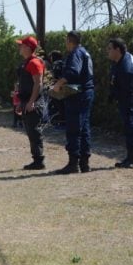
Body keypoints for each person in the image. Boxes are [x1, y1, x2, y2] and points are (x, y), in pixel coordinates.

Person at [51, 30, 94, 174]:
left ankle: (73, 163)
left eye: (66, 41)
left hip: (77, 95)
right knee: (84, 128)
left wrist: (58, 84)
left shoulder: (75, 54)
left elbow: (72, 72)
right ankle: (84, 163)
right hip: (86, 93)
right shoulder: (85, 52)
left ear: (70, 41)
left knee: (74, 128)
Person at [107, 37, 133, 168]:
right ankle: (131, 157)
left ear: (117, 50)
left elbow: (129, 91)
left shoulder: (126, 67)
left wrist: (128, 107)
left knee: (131, 124)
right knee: (130, 124)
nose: (107, 52)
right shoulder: (120, 60)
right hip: (128, 98)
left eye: (110, 49)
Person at [15, 36, 46, 170]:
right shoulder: (26, 62)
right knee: (30, 131)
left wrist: (32, 102)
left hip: (34, 103)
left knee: (34, 132)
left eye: (21, 45)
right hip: (26, 101)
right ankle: (36, 160)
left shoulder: (34, 63)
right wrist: (20, 102)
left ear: (28, 47)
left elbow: (38, 83)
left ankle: (39, 161)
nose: (19, 47)